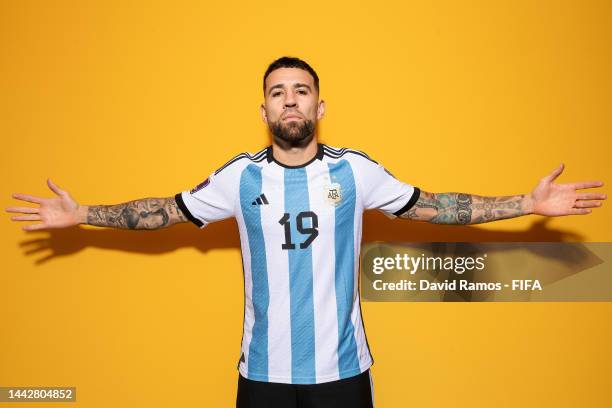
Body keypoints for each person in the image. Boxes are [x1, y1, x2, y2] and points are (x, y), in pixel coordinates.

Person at [6, 56, 606, 408]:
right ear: (264, 112)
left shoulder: (356, 171)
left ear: (320, 107)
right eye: (277, 93)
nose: (289, 101)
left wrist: (526, 202)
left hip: (344, 377)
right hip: (262, 378)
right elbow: (165, 209)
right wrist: (84, 212)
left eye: (301, 92)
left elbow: (436, 206)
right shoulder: (239, 178)